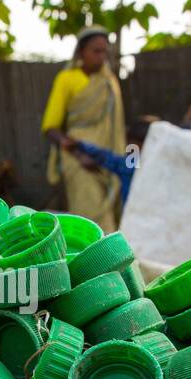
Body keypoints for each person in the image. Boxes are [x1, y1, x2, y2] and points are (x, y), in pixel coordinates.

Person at [41, 26, 126, 231]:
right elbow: (50, 128)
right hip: (78, 159)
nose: (101, 57)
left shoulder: (109, 83)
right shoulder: (67, 79)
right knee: (89, 217)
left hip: (106, 159)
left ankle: (111, 260)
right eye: (95, 51)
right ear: (81, 52)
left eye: (104, 51)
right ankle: (97, 261)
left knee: (110, 216)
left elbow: (117, 126)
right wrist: (80, 156)